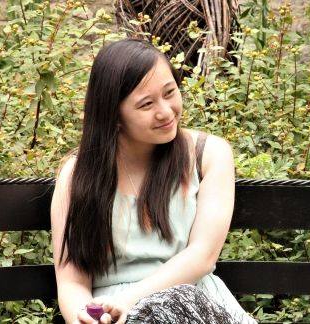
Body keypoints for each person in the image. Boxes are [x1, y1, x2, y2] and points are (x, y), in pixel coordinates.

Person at [51, 38, 257, 324]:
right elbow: (72, 282)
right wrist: (87, 318)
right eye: (146, 104)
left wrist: (128, 300)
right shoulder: (78, 177)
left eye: (170, 92)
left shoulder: (208, 155)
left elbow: (202, 256)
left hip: (194, 307)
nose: (165, 111)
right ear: (114, 114)